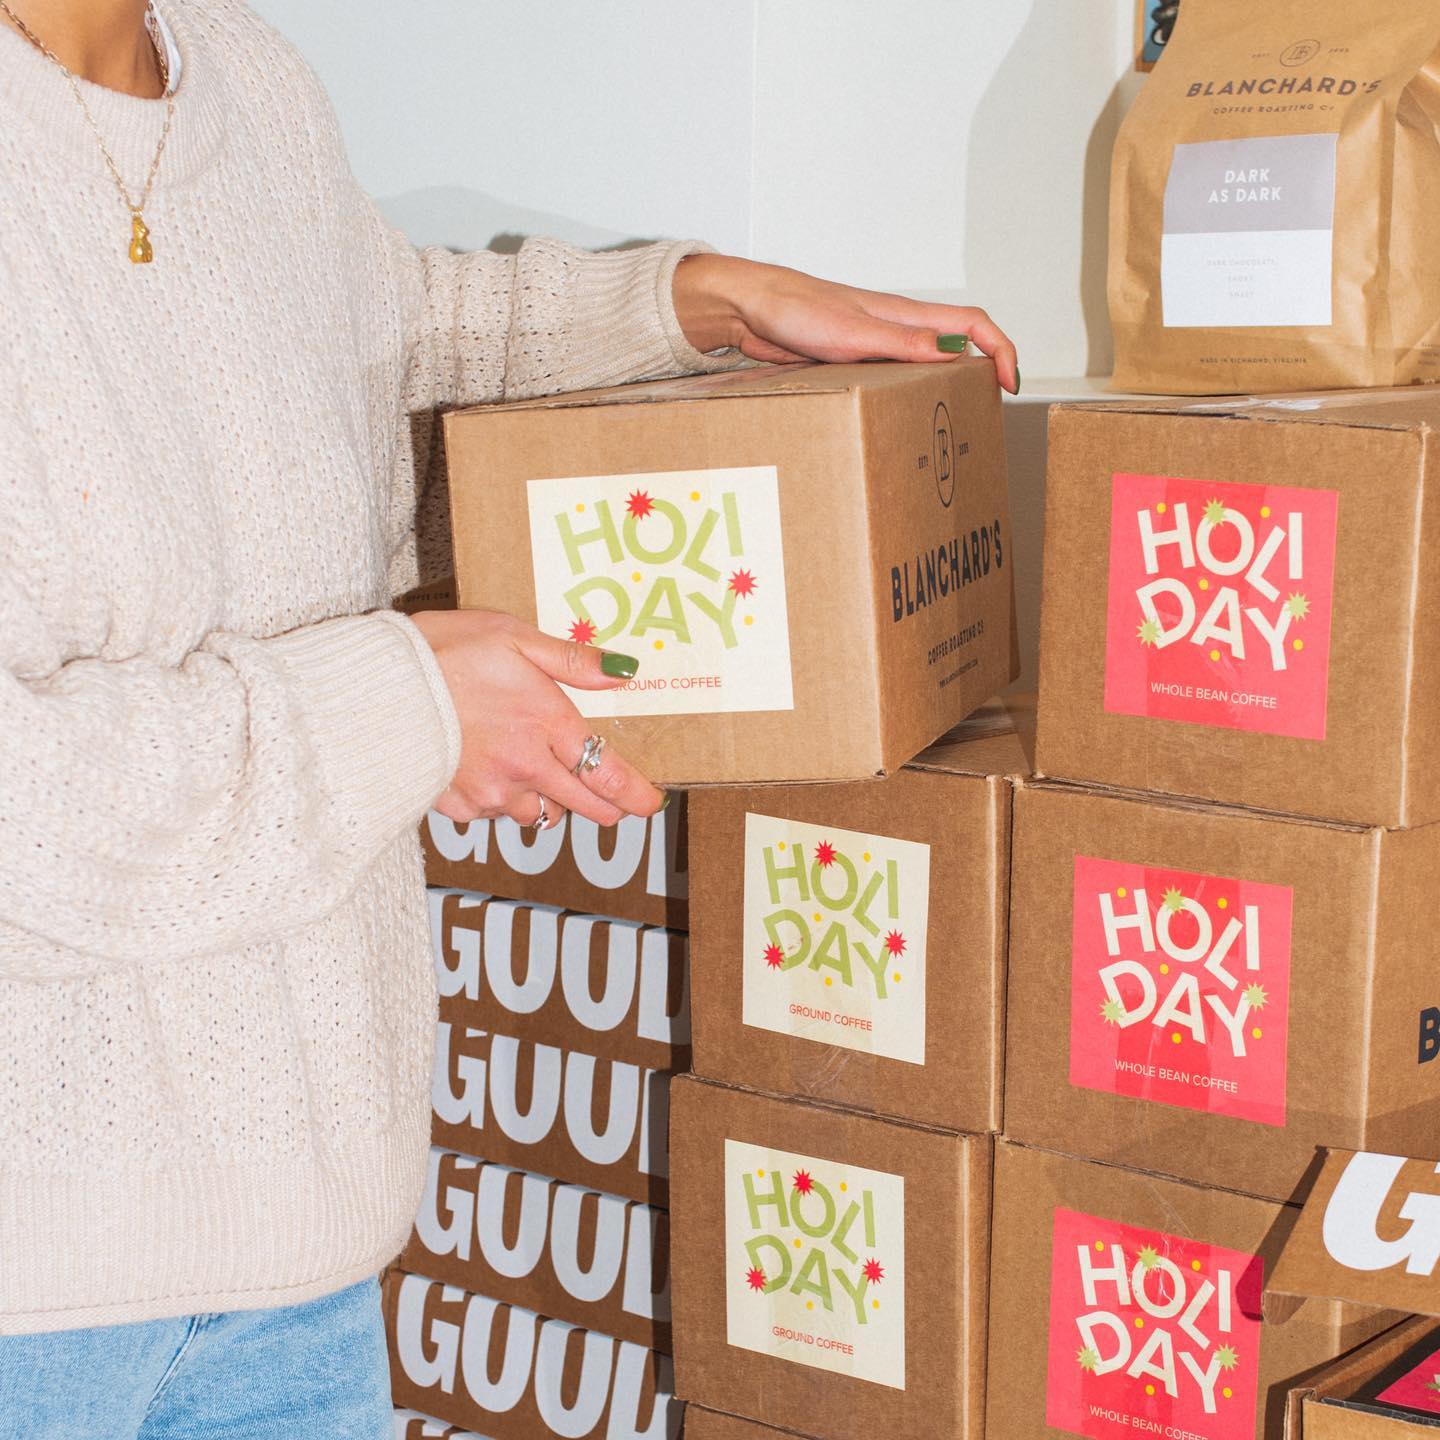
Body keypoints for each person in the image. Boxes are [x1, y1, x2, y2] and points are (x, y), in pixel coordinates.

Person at [0, 0, 1019, 1435]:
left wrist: (695, 305)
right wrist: (405, 705)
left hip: (306, 1267)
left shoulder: (248, 80)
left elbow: (379, 340)